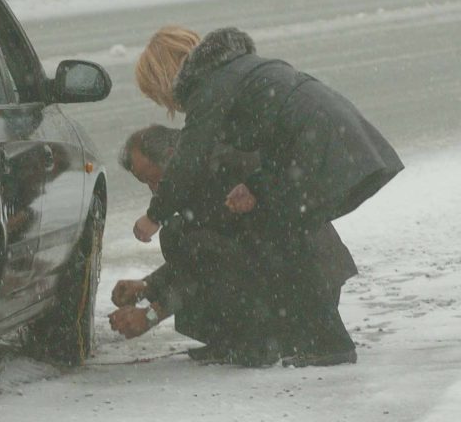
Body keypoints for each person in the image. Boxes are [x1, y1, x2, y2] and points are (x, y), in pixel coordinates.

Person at [131, 26, 403, 366]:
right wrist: (256, 187)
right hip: (333, 137)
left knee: (283, 241)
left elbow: (190, 160)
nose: (168, 105)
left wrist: (154, 215)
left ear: (165, 77)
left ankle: (324, 344)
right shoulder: (232, 71)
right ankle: (286, 340)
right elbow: (273, 139)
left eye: (159, 95)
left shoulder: (209, 88)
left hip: (320, 146)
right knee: (281, 237)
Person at [108, 125, 357, 366]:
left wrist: (151, 314)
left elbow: (205, 258)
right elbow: (201, 257)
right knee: (181, 238)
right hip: (283, 269)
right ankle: (238, 340)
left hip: (305, 279)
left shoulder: (218, 171)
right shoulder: (199, 165)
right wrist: (147, 286)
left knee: (181, 238)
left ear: (172, 157)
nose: (154, 190)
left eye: (154, 180)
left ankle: (260, 341)